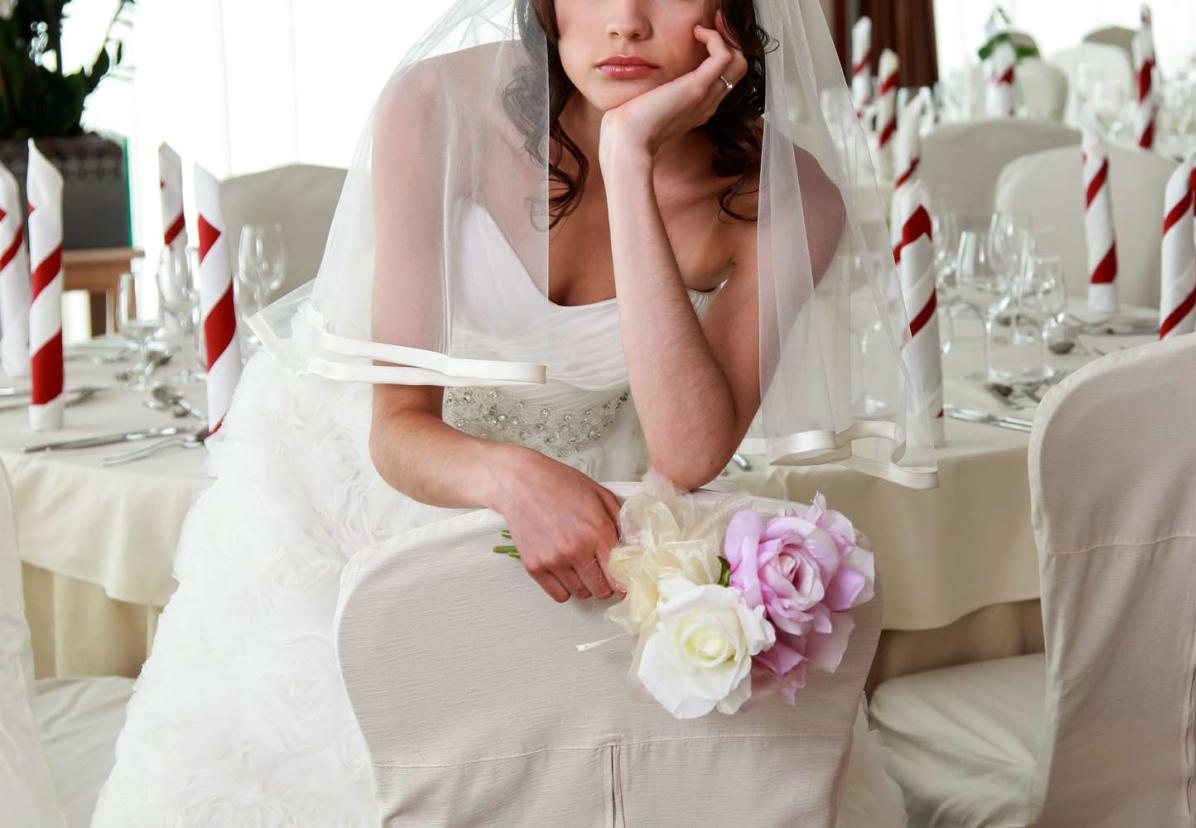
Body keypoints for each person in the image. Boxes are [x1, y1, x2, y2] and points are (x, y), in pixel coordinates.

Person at [94, 1, 931, 823]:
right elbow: (396, 427)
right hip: (350, 481)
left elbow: (687, 452)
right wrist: (512, 477)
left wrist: (630, 155)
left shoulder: (792, 199)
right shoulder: (437, 107)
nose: (627, 21)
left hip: (585, 488)